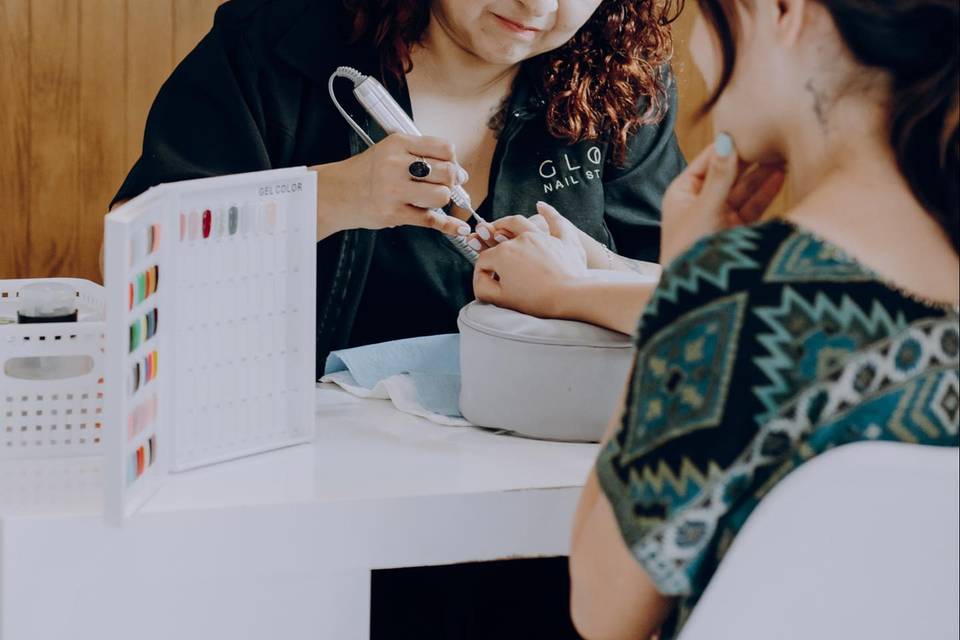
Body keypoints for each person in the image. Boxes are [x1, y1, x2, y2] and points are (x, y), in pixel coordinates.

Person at [474, 0, 959, 637]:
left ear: (783, 12)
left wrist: (685, 292)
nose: (698, 49)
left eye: (707, 16)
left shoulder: (744, 296)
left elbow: (602, 608)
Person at [111, 0, 685, 372]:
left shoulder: (624, 85)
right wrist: (333, 198)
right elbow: (140, 262)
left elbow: (681, 296)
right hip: (302, 453)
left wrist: (584, 277)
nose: (536, 4)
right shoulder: (274, 44)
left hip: (537, 455)